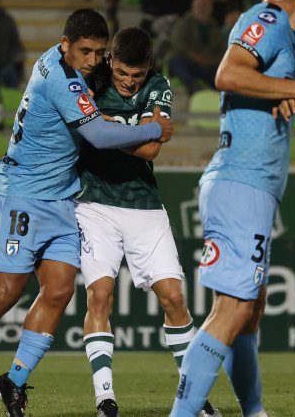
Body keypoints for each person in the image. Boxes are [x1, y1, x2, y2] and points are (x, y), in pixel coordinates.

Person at [0, 9, 174, 417]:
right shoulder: (61, 78)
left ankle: (14, 382)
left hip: (62, 197)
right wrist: (153, 129)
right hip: (20, 193)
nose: (92, 60)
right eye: (84, 51)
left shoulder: (68, 65)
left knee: (59, 290)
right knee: (7, 290)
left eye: (98, 52)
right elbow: (98, 134)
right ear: (65, 45)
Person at [169, 0, 295, 417]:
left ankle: (254, 413)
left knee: (248, 313)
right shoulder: (269, 19)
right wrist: (294, 86)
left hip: (251, 186)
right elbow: (228, 73)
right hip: (240, 183)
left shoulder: (293, 37)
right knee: (231, 312)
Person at [75, 27, 218, 417]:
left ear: (148, 67)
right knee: (99, 296)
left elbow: (152, 148)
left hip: (145, 204)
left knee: (174, 298)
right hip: (95, 203)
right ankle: (105, 399)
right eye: (122, 73)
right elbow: (90, 135)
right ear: (110, 62)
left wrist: (105, 126)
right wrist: (130, 128)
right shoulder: (91, 80)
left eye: (135, 76)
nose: (128, 83)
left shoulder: (159, 85)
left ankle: (194, 398)